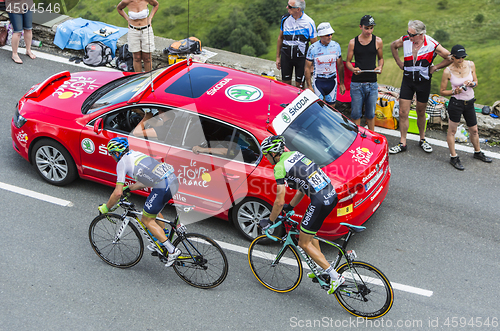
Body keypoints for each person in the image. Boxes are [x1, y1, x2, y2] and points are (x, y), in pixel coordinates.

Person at [258, 135, 345, 295]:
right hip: (330, 194)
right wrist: (290, 206)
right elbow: (302, 186)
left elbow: (278, 200)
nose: (266, 157)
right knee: (311, 234)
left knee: (303, 243)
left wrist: (270, 221)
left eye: (266, 154)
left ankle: (334, 275)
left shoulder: (279, 167)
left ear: (273, 153)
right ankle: (321, 267)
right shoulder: (295, 155)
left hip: (319, 201)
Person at [98, 137, 181, 267]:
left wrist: (106, 208)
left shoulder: (122, 163)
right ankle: (161, 240)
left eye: (112, 154)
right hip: (173, 181)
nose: (112, 157)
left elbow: (117, 192)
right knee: (153, 210)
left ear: (117, 153)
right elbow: (146, 180)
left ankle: (172, 250)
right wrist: (129, 188)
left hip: (162, 185)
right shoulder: (137, 154)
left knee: (146, 220)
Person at [389, 20, 452, 154]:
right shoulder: (406, 40)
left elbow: (449, 57)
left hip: (423, 81)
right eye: (408, 33)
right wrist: (399, 62)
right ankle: (402, 142)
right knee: (403, 112)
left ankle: (422, 139)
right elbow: (393, 46)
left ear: (421, 34)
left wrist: (435, 67)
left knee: (421, 112)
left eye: (412, 35)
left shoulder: (432, 44)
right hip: (407, 80)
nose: (409, 37)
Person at [439, 45, 492, 170]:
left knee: (474, 130)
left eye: (463, 57)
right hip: (456, 104)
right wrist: (454, 91)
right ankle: (454, 157)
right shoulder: (448, 71)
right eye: (458, 58)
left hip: (469, 103)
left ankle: (478, 152)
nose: (461, 60)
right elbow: (442, 91)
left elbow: (476, 82)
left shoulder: (470, 65)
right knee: (452, 131)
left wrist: (472, 84)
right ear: (453, 57)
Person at [346, 15, 384, 131]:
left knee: (371, 114)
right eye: (366, 28)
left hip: (372, 83)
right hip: (357, 83)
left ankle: (372, 136)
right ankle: (357, 136)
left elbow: (381, 58)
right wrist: (353, 69)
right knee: (356, 114)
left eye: (371, 28)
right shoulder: (353, 42)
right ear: (360, 27)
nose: (369, 31)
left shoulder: (378, 41)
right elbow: (348, 61)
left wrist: (380, 67)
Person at [276, 0, 317, 88]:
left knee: (300, 86)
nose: (287, 8)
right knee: (286, 84)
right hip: (286, 56)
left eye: (290, 7)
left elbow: (315, 46)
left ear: (298, 9)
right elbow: (280, 38)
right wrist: (277, 57)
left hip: (301, 59)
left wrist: (313, 65)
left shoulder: (309, 22)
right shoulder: (285, 19)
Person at [305, 22, 345, 106]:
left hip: (332, 81)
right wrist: (309, 85)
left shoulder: (336, 46)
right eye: (327, 35)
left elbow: (340, 65)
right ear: (321, 35)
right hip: (318, 82)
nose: (330, 37)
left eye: (331, 34)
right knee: (317, 108)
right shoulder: (313, 48)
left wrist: (342, 83)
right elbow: (307, 68)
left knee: (332, 109)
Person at [117, 0, 159, 72]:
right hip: (133, 30)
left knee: (147, 58)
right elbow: (119, 8)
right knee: (136, 57)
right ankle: (138, 77)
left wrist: (150, 18)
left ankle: (148, 77)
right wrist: (128, 20)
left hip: (146, 30)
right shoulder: (127, 1)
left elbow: (156, 4)